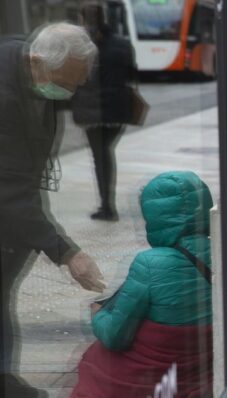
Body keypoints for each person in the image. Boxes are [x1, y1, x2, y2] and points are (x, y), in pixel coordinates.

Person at [0, 23, 106, 397]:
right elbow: (8, 190)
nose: (70, 93)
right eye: (67, 82)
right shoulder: (5, 95)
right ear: (37, 62)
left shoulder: (27, 66)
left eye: (76, 83)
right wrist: (67, 252)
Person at [72, 171, 214, 398]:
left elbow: (116, 336)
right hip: (199, 372)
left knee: (95, 361)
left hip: (157, 376)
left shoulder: (149, 264)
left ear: (155, 218)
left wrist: (98, 316)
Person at [72, 3, 139, 222]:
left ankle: (107, 207)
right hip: (118, 110)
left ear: (84, 19)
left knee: (100, 157)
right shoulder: (122, 44)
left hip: (92, 112)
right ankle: (106, 204)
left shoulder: (81, 46)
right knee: (105, 153)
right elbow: (132, 74)